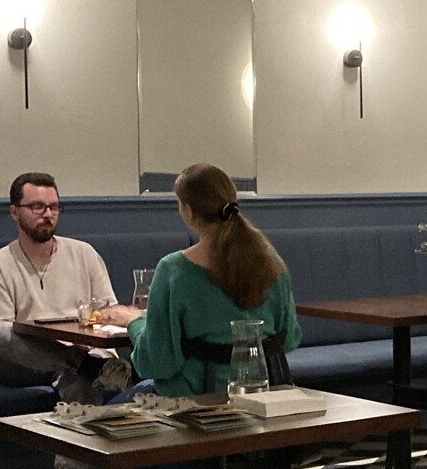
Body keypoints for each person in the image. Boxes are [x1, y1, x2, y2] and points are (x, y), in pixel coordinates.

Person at [0, 172, 141, 469]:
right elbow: (2, 331)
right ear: (15, 212)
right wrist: (68, 351)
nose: (47, 214)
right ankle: (85, 364)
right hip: (22, 364)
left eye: (53, 207)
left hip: (82, 355)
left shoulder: (84, 254)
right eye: (37, 207)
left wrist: (84, 342)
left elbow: (108, 314)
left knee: (81, 379)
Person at [128, 163, 299, 397]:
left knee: (118, 402)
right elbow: (289, 340)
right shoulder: (271, 263)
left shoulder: (173, 270)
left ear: (188, 211)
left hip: (194, 404)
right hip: (266, 398)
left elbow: (156, 363)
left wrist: (135, 323)